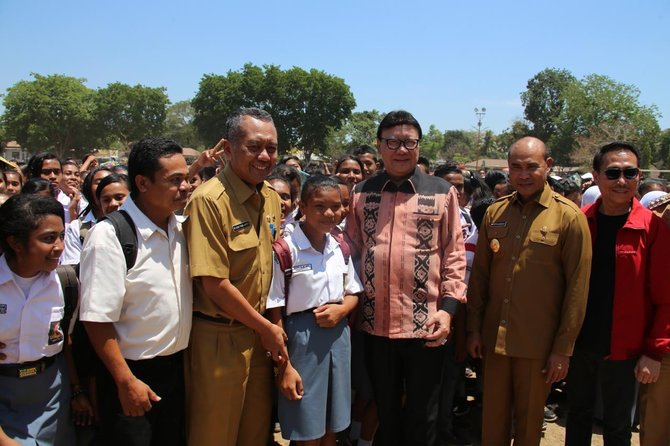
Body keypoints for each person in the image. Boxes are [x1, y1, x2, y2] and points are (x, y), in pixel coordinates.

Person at [345, 110, 467, 446]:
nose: (401, 149)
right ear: (379, 146)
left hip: (426, 325)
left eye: (409, 142)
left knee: (423, 414)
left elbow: (454, 253)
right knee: (385, 410)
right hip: (374, 325)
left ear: (418, 145)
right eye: (393, 142)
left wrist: (448, 309)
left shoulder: (442, 192)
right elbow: (352, 250)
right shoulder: (362, 192)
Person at [467, 136, 592, 446]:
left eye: (531, 167)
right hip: (495, 341)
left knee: (528, 426)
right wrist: (474, 330)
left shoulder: (569, 217)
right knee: (492, 425)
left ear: (547, 166)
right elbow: (480, 277)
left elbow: (577, 289)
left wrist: (562, 349)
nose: (523, 175)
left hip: (538, 347)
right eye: (516, 167)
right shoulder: (495, 213)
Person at [79, 137, 192, 446]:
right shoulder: (109, 237)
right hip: (131, 375)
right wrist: (125, 380)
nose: (185, 187)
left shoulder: (179, 228)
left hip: (175, 370)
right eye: (175, 180)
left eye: (187, 178)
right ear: (142, 183)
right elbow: (96, 320)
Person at [183, 107, 286, 446]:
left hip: (260, 338)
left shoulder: (271, 197)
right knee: (213, 436)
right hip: (218, 340)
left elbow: (270, 272)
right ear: (227, 149)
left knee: (254, 434)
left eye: (271, 147)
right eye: (254, 146)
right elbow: (214, 283)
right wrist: (267, 328)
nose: (265, 156)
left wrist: (270, 328)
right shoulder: (208, 201)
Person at [565, 141, 670, 446]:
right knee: (577, 416)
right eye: (612, 173)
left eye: (630, 172)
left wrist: (653, 352)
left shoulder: (653, 228)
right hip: (579, 342)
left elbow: (665, 296)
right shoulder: (579, 222)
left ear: (639, 176)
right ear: (596, 176)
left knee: (617, 426)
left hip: (626, 349)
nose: (622, 181)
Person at [267, 174, 363, 445]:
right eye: (320, 206)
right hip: (301, 340)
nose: (329, 213)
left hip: (337, 337)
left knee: (333, 421)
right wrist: (283, 365)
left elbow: (354, 291)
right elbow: (274, 308)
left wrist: (342, 311)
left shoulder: (339, 247)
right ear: (303, 206)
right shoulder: (286, 250)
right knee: (306, 424)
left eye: (336, 206)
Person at [0, 194, 75, 445]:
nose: (60, 246)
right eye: (48, 239)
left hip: (52, 396)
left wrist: (78, 392)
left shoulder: (66, 283)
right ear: (16, 243)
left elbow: (69, 343)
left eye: (62, 236)